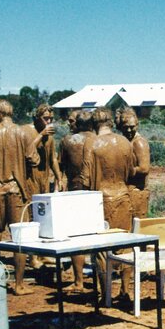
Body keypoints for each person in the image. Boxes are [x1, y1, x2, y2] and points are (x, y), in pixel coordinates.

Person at [0, 99, 40, 293]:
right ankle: (19, 283)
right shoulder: (22, 132)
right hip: (17, 190)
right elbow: (34, 160)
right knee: (19, 238)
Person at [80, 107, 135, 295]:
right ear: (111, 122)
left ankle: (106, 295)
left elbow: (86, 178)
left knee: (102, 250)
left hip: (101, 201)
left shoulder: (92, 144)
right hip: (124, 197)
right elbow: (131, 172)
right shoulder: (125, 142)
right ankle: (125, 290)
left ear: (94, 124)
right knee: (126, 246)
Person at [58, 110, 93, 290]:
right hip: (96, 191)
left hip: (75, 190)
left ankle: (78, 280)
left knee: (76, 236)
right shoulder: (99, 141)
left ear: (77, 124)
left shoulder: (67, 141)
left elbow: (60, 165)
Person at [21, 103, 63, 196]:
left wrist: (59, 179)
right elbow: (27, 151)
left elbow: (53, 159)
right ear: (37, 117)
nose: (48, 122)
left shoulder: (49, 136)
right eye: (45, 118)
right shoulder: (25, 130)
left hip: (45, 179)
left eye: (51, 119)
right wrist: (41, 135)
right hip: (29, 178)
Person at [117, 108, 150, 219]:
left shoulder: (139, 142)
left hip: (138, 192)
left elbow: (144, 168)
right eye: (126, 127)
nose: (129, 130)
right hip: (128, 191)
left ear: (137, 124)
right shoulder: (125, 141)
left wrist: (129, 170)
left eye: (132, 127)